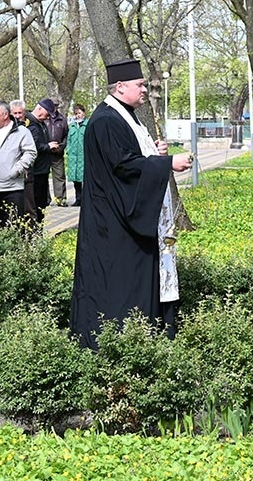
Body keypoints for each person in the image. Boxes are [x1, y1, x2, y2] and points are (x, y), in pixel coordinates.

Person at [69, 60, 192, 349]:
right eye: (140, 85)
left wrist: (155, 153)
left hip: (118, 219)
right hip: (113, 225)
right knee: (119, 284)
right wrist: (168, 164)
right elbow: (124, 166)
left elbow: (132, 154)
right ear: (120, 87)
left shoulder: (125, 115)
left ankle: (147, 334)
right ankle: (120, 342)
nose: (145, 89)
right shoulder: (107, 120)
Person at [0, 100, 36, 229]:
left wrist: (16, 170)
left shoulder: (21, 132)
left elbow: (30, 152)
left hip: (13, 189)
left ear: (5, 115)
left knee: (13, 227)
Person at [11, 99, 52, 228]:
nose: (49, 116)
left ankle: (37, 231)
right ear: (40, 109)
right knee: (32, 206)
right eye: (48, 113)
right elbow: (33, 146)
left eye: (20, 113)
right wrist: (48, 147)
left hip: (42, 170)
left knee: (40, 205)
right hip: (33, 171)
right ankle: (31, 233)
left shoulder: (40, 123)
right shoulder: (29, 124)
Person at [46, 98, 68, 206]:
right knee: (44, 176)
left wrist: (61, 147)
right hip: (45, 151)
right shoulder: (44, 118)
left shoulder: (62, 119)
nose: (54, 107)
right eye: (52, 105)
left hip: (57, 152)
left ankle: (61, 199)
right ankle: (45, 200)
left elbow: (66, 136)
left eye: (55, 105)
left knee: (59, 176)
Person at [65, 103, 87, 206]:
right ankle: (78, 198)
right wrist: (68, 150)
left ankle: (85, 199)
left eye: (79, 113)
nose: (78, 115)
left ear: (84, 112)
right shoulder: (72, 126)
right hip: (73, 157)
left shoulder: (87, 125)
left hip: (83, 156)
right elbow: (69, 140)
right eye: (76, 113)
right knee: (75, 180)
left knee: (84, 179)